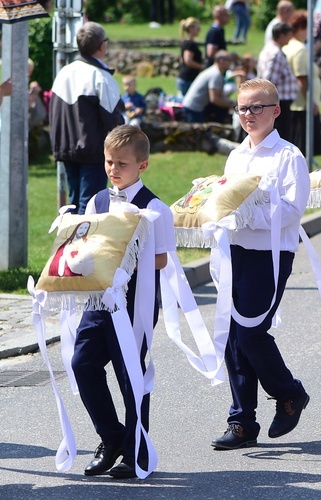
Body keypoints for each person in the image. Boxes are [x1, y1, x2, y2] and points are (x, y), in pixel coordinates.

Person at [211, 78, 310, 450]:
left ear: (276, 110)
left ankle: (289, 393)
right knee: (233, 337)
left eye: (256, 107)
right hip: (235, 251)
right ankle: (241, 421)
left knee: (252, 332)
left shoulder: (289, 156)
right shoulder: (236, 156)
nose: (248, 115)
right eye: (242, 108)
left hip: (270, 254)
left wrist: (246, 213)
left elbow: (291, 210)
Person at [71, 124, 175, 478]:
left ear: (142, 165)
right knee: (82, 364)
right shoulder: (98, 200)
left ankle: (137, 450)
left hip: (136, 303)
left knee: (131, 375)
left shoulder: (155, 207)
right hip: (99, 301)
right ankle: (112, 436)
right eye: (108, 162)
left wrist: (126, 253)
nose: (113, 169)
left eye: (122, 164)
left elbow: (161, 259)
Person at [49, 22, 125, 215]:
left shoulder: (64, 72)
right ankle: (80, 245)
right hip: (92, 150)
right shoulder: (100, 77)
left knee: (73, 205)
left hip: (66, 148)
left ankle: (68, 244)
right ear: (102, 46)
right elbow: (114, 121)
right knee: (89, 207)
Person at [282, 11, 321, 155]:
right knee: (304, 149)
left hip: (295, 103)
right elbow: (302, 79)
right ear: (301, 28)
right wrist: (310, 102)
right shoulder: (299, 49)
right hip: (303, 106)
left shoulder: (289, 46)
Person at [258, 23, 299, 143]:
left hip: (277, 102)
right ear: (281, 35)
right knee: (281, 137)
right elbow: (269, 80)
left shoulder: (268, 49)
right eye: (288, 35)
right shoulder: (275, 53)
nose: (290, 39)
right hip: (279, 101)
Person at [182, 50, 235, 124]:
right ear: (221, 61)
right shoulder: (215, 74)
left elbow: (220, 95)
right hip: (193, 109)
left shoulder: (215, 72)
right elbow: (214, 99)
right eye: (229, 60)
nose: (230, 63)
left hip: (195, 107)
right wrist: (231, 105)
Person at [176, 17, 205, 97]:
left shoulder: (186, 42)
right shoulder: (190, 44)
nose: (199, 30)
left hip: (186, 78)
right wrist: (202, 66)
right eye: (197, 28)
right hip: (187, 79)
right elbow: (188, 61)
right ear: (191, 28)